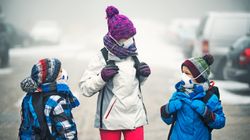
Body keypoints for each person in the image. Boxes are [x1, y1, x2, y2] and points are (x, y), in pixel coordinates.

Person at [79, 6, 151, 140]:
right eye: (126, 37)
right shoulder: (102, 57)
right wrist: (102, 77)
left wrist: (143, 75)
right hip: (110, 120)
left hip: (135, 118)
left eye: (132, 36)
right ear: (116, 38)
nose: (130, 40)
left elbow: (134, 84)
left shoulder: (133, 54)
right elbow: (85, 88)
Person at [160, 54, 225, 140]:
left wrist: (206, 113)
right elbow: (168, 120)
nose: (183, 76)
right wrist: (167, 109)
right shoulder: (179, 93)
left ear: (199, 76)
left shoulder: (209, 97)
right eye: (183, 72)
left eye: (187, 73)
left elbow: (221, 122)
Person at [19, 58, 79, 139]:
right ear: (50, 79)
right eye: (60, 71)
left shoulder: (28, 97)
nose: (63, 73)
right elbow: (67, 133)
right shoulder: (56, 100)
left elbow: (25, 127)